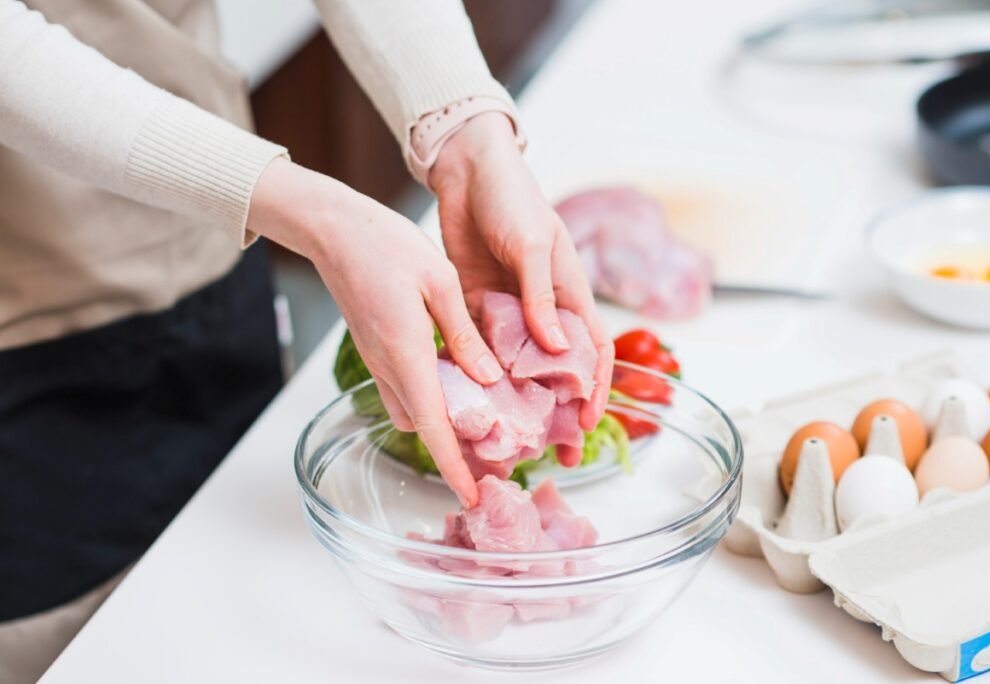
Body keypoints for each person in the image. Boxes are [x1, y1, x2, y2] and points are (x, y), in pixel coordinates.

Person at [0, 0, 612, 680]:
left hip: (211, 242)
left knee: (238, 610)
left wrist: (468, 135)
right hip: (24, 318)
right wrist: (310, 211)